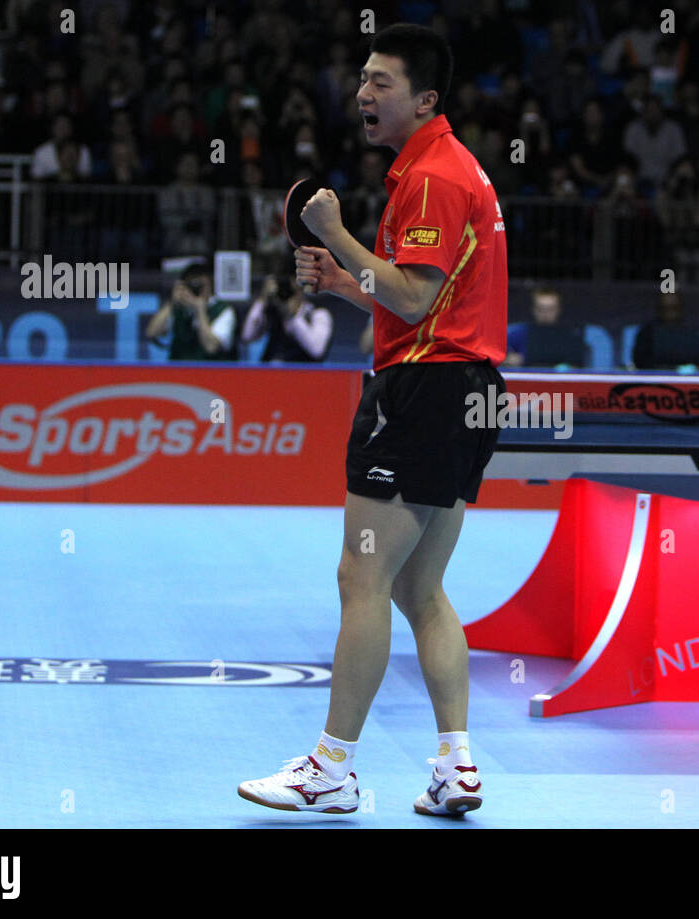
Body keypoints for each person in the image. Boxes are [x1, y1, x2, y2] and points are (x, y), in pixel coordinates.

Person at [237, 23, 507, 818]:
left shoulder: (431, 177)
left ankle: (331, 768)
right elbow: (414, 297)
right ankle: (458, 764)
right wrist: (347, 282)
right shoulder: (453, 171)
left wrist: (335, 233)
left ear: (425, 99)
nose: (363, 91)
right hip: (469, 389)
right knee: (422, 586)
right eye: (361, 77)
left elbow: (417, 300)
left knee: (361, 577)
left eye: (382, 82)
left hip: (421, 395)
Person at [144, 261, 238, 361]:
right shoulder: (177, 309)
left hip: (211, 373)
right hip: (178, 372)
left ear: (210, 285)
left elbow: (211, 347)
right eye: (191, 285)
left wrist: (200, 310)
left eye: (200, 286)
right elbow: (151, 333)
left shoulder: (223, 310)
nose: (196, 289)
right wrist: (172, 303)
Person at [240, 273, 333, 362]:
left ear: (301, 290)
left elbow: (317, 351)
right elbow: (246, 336)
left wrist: (294, 316)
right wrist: (262, 299)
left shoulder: (317, 314)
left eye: (291, 291)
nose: (286, 295)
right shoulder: (271, 313)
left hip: (303, 375)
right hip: (271, 374)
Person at [632, 291, 699, 370]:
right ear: (659, 309)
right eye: (666, 308)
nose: (671, 313)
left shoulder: (692, 332)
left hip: (686, 380)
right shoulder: (647, 332)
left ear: (681, 308)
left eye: (674, 308)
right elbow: (639, 362)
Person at [504, 286, 581, 367]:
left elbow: (577, 365)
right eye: (541, 309)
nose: (545, 313)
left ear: (558, 309)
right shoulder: (519, 333)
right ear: (533, 309)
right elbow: (497, 356)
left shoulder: (571, 335)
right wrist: (508, 360)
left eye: (550, 309)